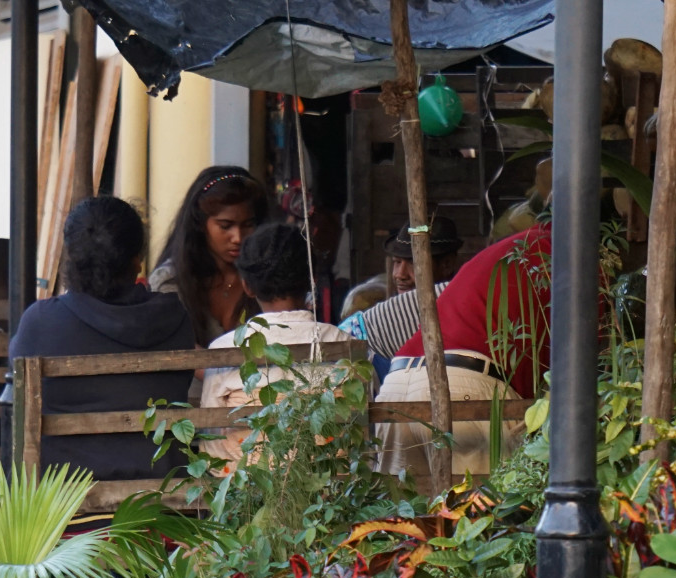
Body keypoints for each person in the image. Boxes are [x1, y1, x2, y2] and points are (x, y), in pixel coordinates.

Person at [7, 196, 195, 480]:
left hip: (62, 498)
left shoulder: (41, 322)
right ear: (137, 261)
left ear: (71, 257)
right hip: (161, 494)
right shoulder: (175, 317)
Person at [376, 225, 552, 479]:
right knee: (477, 511)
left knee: (396, 512)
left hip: (396, 383)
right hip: (460, 385)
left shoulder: (507, 251)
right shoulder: (573, 257)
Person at [200, 224, 361, 460]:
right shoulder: (343, 342)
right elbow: (361, 431)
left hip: (247, 487)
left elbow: (212, 440)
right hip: (332, 487)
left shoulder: (224, 349)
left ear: (247, 286)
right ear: (311, 280)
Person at [148, 165, 268, 345]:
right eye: (225, 226)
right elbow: (177, 345)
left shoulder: (268, 276)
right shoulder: (171, 281)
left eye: (248, 225)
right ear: (200, 224)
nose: (238, 237)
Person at [339, 216, 464, 377]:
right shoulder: (378, 319)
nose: (400, 275)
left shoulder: (462, 312)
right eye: (397, 262)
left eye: (413, 263)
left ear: (447, 264)